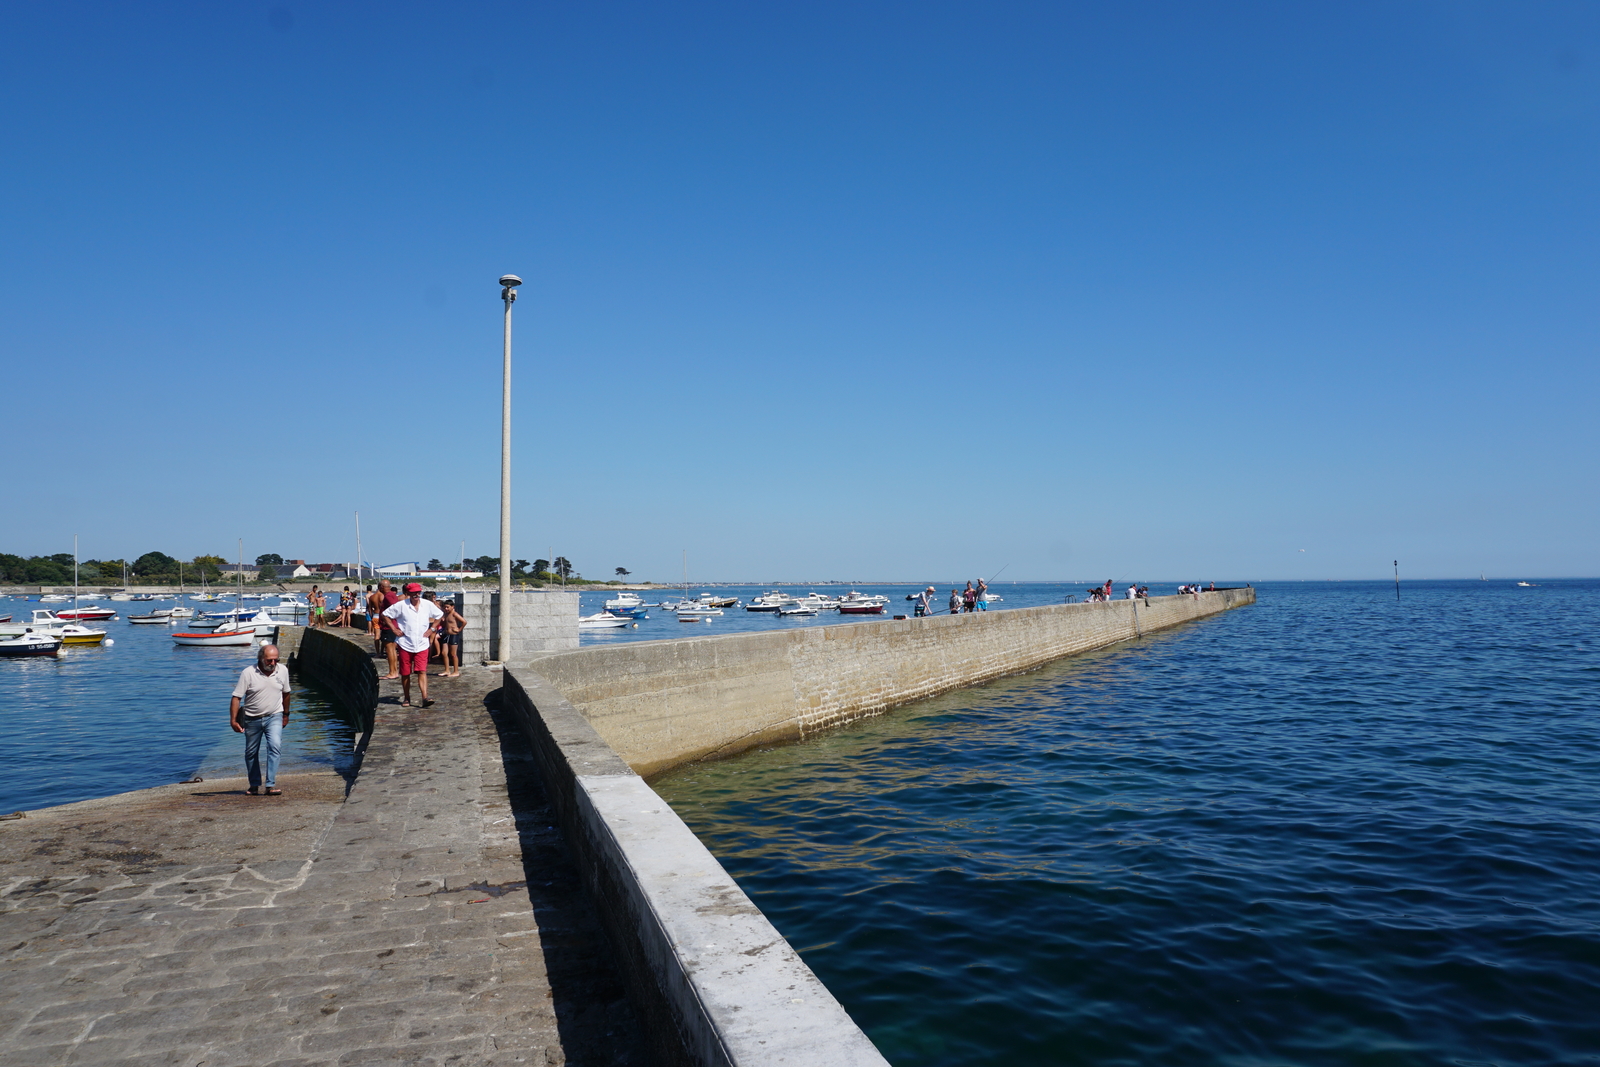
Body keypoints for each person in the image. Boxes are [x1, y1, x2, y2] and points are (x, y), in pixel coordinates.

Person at [229, 643, 292, 796]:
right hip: (251, 718)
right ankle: (254, 784)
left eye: (276, 660)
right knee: (251, 752)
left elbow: (286, 693)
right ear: (261, 658)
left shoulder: (283, 670)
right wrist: (233, 720)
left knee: (275, 746)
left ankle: (270, 785)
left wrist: (286, 714)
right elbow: (236, 697)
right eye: (269, 660)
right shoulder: (248, 673)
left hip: (274, 715)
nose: (273, 664)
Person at [383, 582, 443, 707]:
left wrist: (432, 629)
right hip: (405, 643)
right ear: (408, 593)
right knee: (405, 673)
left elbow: (439, 615)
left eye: (418, 592)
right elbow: (386, 615)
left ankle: (425, 697)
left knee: (422, 671)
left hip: (422, 643)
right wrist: (394, 629)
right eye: (413, 592)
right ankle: (406, 698)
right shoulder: (401, 605)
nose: (416, 594)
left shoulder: (427, 605)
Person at [376, 579, 401, 678]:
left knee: (389, 649)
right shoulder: (392, 595)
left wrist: (386, 616)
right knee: (392, 650)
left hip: (389, 626)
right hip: (392, 625)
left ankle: (392, 672)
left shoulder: (389, 596)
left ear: (381, 587)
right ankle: (394, 671)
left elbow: (395, 607)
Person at [437, 599, 466, 677]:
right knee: (444, 653)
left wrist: (459, 629)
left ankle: (456, 671)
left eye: (447, 607)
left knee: (453, 654)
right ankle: (447, 670)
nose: (446, 609)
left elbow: (464, 621)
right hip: (446, 634)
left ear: (452, 607)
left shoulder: (454, 614)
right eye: (445, 607)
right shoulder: (445, 614)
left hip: (453, 635)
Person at [366, 584, 385, 653]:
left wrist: (372, 616)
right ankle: (382, 651)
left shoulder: (372, 597)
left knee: (377, 635)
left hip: (375, 616)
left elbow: (370, 610)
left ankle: (377, 653)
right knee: (384, 635)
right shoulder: (383, 596)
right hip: (383, 617)